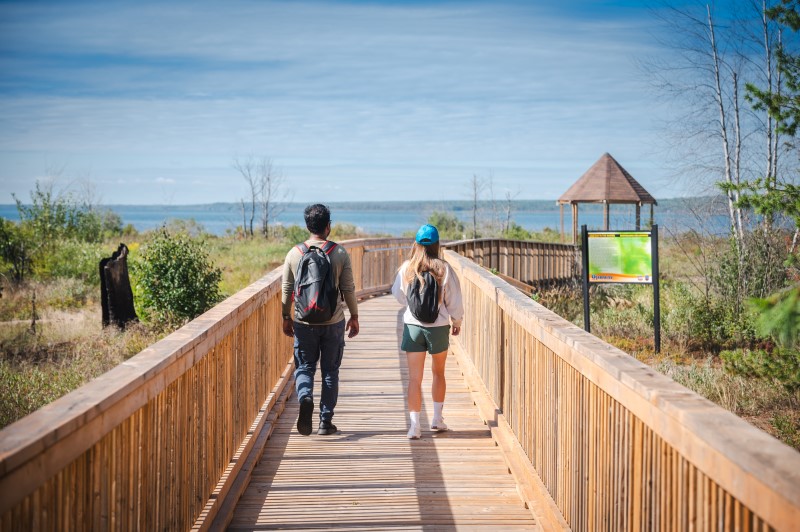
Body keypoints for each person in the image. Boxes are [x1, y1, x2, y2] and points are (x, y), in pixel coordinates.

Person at [281, 204, 360, 436]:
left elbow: (287, 289)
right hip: (333, 322)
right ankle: (325, 422)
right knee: (330, 372)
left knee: (304, 367)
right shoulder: (339, 253)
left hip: (303, 323)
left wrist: (286, 316)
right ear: (328, 227)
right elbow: (348, 288)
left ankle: (305, 397)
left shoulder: (294, 254)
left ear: (307, 226)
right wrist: (354, 316)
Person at [391, 224, 464, 439]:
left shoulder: (407, 268)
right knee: (438, 373)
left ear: (416, 244)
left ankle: (414, 426)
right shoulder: (444, 268)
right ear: (436, 244)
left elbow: (398, 294)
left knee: (415, 378)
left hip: (413, 327)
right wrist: (456, 321)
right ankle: (437, 419)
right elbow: (454, 301)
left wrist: (412, 307)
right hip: (438, 328)